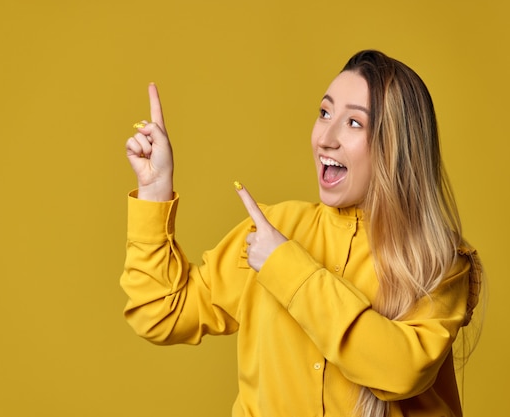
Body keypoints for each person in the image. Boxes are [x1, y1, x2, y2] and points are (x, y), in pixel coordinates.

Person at [121, 50, 483, 417]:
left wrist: (284, 266)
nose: (326, 137)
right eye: (325, 113)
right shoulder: (271, 229)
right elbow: (160, 313)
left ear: (397, 146)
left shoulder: (438, 260)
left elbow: (402, 371)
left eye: (354, 123)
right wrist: (154, 189)